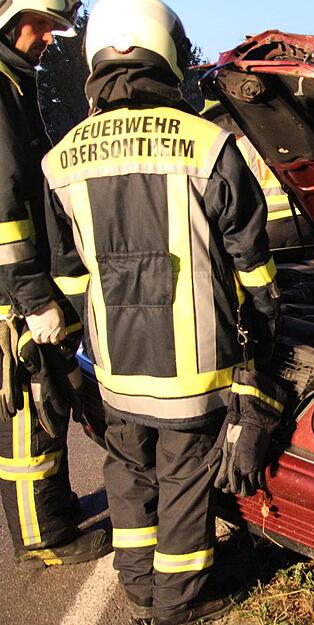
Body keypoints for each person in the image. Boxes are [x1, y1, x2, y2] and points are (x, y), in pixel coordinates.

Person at [41, 0, 280, 623]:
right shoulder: (208, 146)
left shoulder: (62, 158)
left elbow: (67, 272)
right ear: (167, 53)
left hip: (115, 366)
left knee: (128, 474)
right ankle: (176, 604)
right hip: (193, 373)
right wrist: (262, 328)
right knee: (181, 481)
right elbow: (252, 263)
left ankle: (138, 582)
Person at [0, 0, 111, 569]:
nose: (49, 38)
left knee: (52, 409)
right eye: (42, 25)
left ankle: (56, 506)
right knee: (29, 416)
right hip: (13, 298)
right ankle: (42, 538)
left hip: (26, 288)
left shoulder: (14, 84)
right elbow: (4, 208)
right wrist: (33, 297)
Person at [202, 102, 314, 249]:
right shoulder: (293, 140)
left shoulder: (243, 146)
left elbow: (237, 190)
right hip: (303, 219)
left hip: (267, 224)